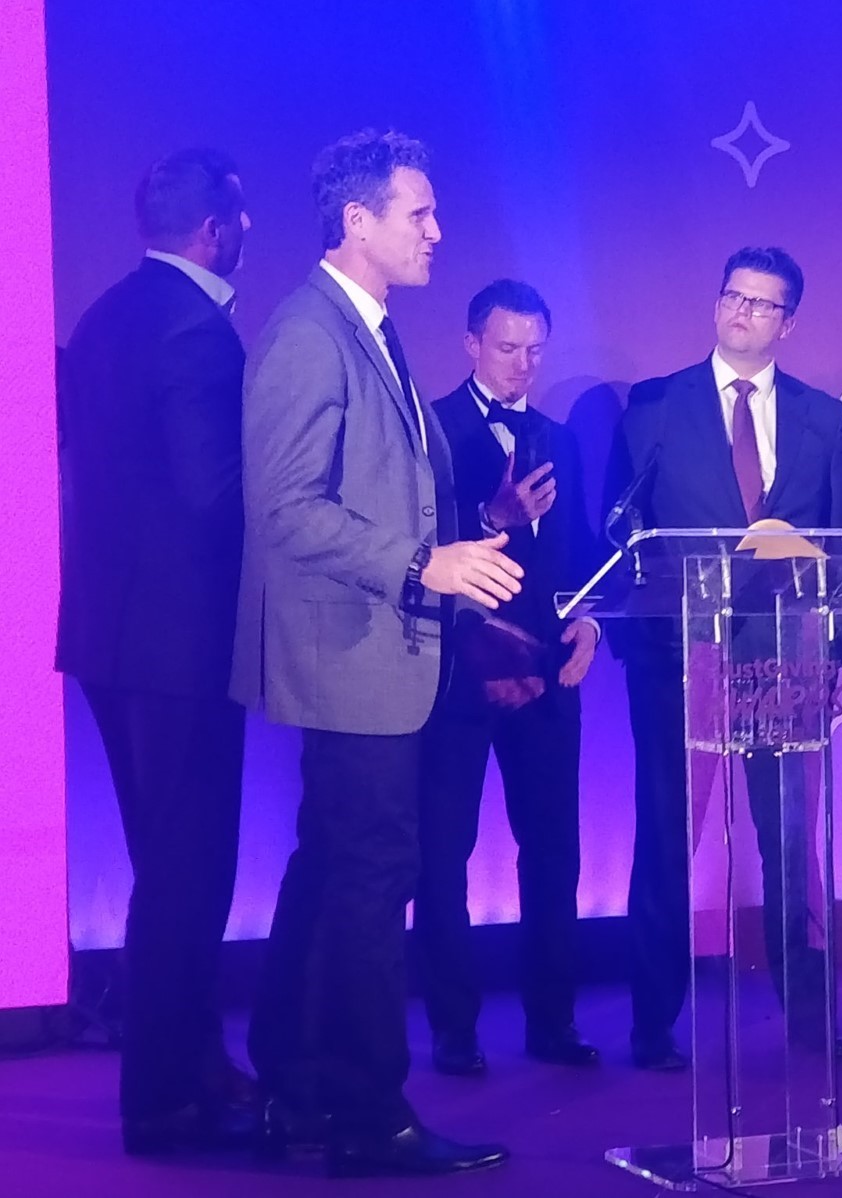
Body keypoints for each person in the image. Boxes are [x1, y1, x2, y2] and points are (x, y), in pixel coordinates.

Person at [232, 129, 517, 1177]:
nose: (438, 230)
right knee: (368, 875)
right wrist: (420, 563)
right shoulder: (311, 332)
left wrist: (458, 546)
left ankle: (299, 1084)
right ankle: (367, 1112)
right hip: (348, 652)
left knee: (337, 867)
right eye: (419, 214)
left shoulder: (373, 329)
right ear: (357, 221)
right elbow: (287, 509)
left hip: (383, 651)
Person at [606, 246, 842, 1070]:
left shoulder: (824, 418)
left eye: (763, 303)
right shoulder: (656, 407)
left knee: (792, 842)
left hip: (789, 657)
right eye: (733, 297)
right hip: (687, 656)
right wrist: (637, 640)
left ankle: (809, 1018)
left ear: (789, 321)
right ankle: (652, 1022)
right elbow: (621, 533)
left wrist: (836, 646)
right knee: (666, 836)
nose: (743, 313)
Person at [57, 147, 256, 1156]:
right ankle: (169, 1099)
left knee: (161, 866)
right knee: (188, 873)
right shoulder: (200, 332)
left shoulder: (102, 317)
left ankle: (192, 1064)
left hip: (104, 634)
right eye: (245, 219)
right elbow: (212, 498)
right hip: (180, 649)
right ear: (216, 230)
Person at [414, 279, 602, 1077]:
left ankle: (552, 1022)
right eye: (505, 348)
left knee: (554, 852)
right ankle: (454, 1030)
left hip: (548, 679)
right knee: (443, 854)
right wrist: (493, 522)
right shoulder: (429, 427)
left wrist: (590, 621)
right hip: (455, 679)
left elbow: (586, 552)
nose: (522, 364)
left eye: (534, 349)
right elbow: (415, 544)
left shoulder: (560, 436)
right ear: (470, 344)